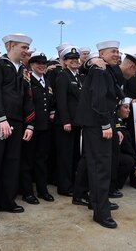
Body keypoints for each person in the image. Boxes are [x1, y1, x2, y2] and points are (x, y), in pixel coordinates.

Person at [75, 40, 136, 229]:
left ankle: (97, 202)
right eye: (113, 51)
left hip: (97, 124)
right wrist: (107, 125)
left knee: (97, 167)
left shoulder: (106, 70)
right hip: (98, 124)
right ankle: (101, 212)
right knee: (101, 168)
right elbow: (99, 99)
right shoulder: (100, 70)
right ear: (102, 53)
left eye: (118, 51)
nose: (116, 54)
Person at [0, 33, 35, 227]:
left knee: (12, 163)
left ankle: (6, 201)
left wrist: (30, 124)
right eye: (23, 47)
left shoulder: (23, 71)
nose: (26, 51)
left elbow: (27, 98)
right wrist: (1, 118)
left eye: (27, 48)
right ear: (10, 45)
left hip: (18, 123)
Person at [20, 52, 55, 204]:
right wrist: (30, 123)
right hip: (32, 126)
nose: (42, 66)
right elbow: (26, 103)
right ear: (32, 65)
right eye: (38, 64)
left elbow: (50, 101)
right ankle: (27, 192)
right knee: (27, 161)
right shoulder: (27, 80)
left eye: (44, 64)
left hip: (45, 127)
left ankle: (42, 190)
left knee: (42, 160)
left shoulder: (46, 81)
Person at [54, 46, 83, 196]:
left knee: (73, 156)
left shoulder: (77, 77)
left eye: (76, 59)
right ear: (64, 62)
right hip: (65, 123)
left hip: (76, 122)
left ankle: (71, 183)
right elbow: (61, 101)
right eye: (71, 59)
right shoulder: (63, 76)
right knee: (65, 156)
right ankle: (64, 187)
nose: (74, 61)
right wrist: (66, 121)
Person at [115, 97, 136, 191]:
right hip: (109, 156)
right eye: (125, 107)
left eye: (129, 107)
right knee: (129, 160)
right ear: (118, 109)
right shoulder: (117, 123)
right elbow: (126, 146)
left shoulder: (122, 121)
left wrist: (131, 100)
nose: (128, 110)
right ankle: (113, 186)